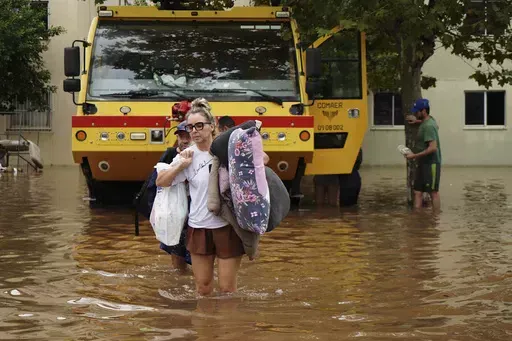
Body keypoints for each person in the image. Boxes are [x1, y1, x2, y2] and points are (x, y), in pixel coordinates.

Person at [156, 98, 245, 296]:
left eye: (199, 125)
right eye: (190, 127)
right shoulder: (187, 155)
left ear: (212, 126)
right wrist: (180, 166)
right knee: (203, 288)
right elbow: (161, 181)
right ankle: (204, 326)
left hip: (227, 226)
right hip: (199, 227)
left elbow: (262, 160)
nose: (194, 131)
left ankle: (229, 326)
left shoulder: (227, 149)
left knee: (227, 290)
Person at [158, 121, 192, 273]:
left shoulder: (206, 155)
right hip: (176, 212)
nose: (184, 140)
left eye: (188, 136)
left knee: (201, 256)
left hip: (197, 212)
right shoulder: (171, 154)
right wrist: (180, 166)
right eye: (181, 136)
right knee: (177, 256)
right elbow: (160, 181)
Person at [405, 98, 442, 211]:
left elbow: (433, 148)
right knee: (417, 191)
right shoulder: (429, 121)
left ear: (424, 111)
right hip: (422, 162)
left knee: (433, 192)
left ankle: (436, 219)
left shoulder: (428, 126)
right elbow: (436, 126)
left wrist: (414, 156)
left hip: (431, 164)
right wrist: (417, 122)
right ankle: (417, 219)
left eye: (417, 111)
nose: (415, 113)